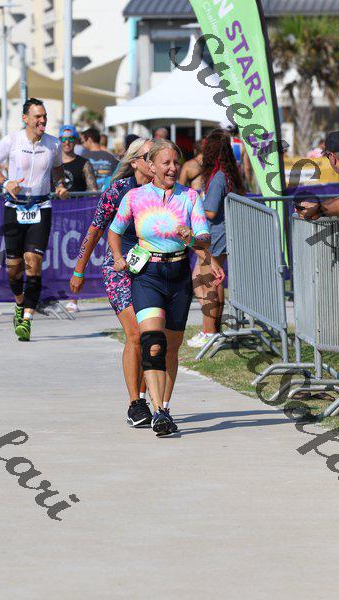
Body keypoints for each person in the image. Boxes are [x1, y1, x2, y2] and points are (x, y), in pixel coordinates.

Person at [108, 139, 224, 436]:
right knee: (152, 342)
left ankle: (165, 407)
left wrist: (192, 238)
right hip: (147, 273)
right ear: (151, 165)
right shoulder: (135, 197)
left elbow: (203, 238)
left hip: (178, 274)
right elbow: (114, 230)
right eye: (166, 163)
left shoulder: (190, 197)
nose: (173, 168)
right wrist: (118, 257)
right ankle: (158, 411)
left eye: (176, 162)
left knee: (171, 348)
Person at [70, 138, 154, 427]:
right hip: (119, 268)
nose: (154, 160)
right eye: (149, 156)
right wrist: (79, 269)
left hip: (153, 268)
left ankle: (146, 397)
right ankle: (136, 404)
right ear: (135, 162)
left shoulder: (163, 190)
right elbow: (95, 230)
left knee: (151, 335)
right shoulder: (118, 190)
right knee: (135, 334)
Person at [0, 97, 69, 342]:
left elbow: (57, 169)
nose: (42, 121)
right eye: (38, 117)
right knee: (14, 269)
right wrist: (6, 182)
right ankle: (20, 303)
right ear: (26, 119)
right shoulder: (12, 140)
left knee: (34, 262)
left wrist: (61, 185)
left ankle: (27, 320)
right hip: (15, 207)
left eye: (45, 117)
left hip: (41, 207)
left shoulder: (53, 144)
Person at [187, 129, 245, 348]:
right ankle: (212, 330)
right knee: (205, 280)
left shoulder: (218, 176)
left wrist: (194, 204)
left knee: (208, 281)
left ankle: (209, 331)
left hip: (215, 233)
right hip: (218, 233)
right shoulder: (226, 173)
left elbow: (210, 211)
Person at [59, 125, 97, 193]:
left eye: (71, 138)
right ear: (59, 140)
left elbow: (93, 191)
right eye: (63, 139)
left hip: (77, 200)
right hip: (55, 200)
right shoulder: (51, 162)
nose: (67, 142)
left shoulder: (84, 164)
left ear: (76, 140)